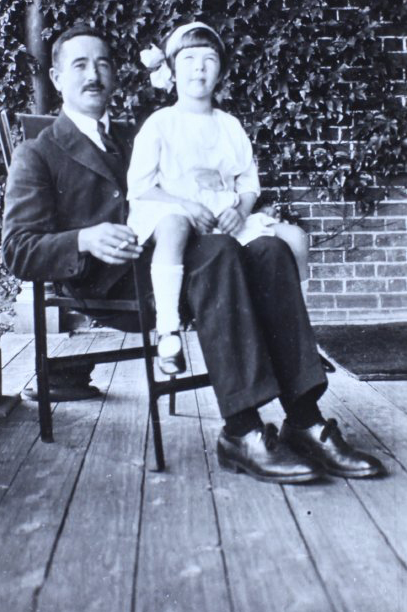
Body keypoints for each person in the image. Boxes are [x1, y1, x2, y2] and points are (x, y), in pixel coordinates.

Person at [2, 22, 385, 485]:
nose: (93, 75)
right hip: (113, 279)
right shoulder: (38, 153)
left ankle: (304, 419)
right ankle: (241, 431)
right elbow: (17, 249)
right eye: (80, 65)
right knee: (221, 253)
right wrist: (83, 239)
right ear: (57, 77)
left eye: (103, 64)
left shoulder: (139, 133)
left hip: (181, 262)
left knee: (268, 250)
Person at [127, 22, 309, 375]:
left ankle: (303, 333)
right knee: (175, 225)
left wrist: (241, 210)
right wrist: (186, 206)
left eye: (209, 59)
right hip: (172, 214)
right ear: (172, 70)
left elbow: (248, 183)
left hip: (224, 217)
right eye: (190, 58)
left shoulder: (229, 126)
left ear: (220, 73)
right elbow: (140, 185)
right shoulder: (160, 123)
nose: (199, 67)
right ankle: (168, 329)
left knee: (295, 238)